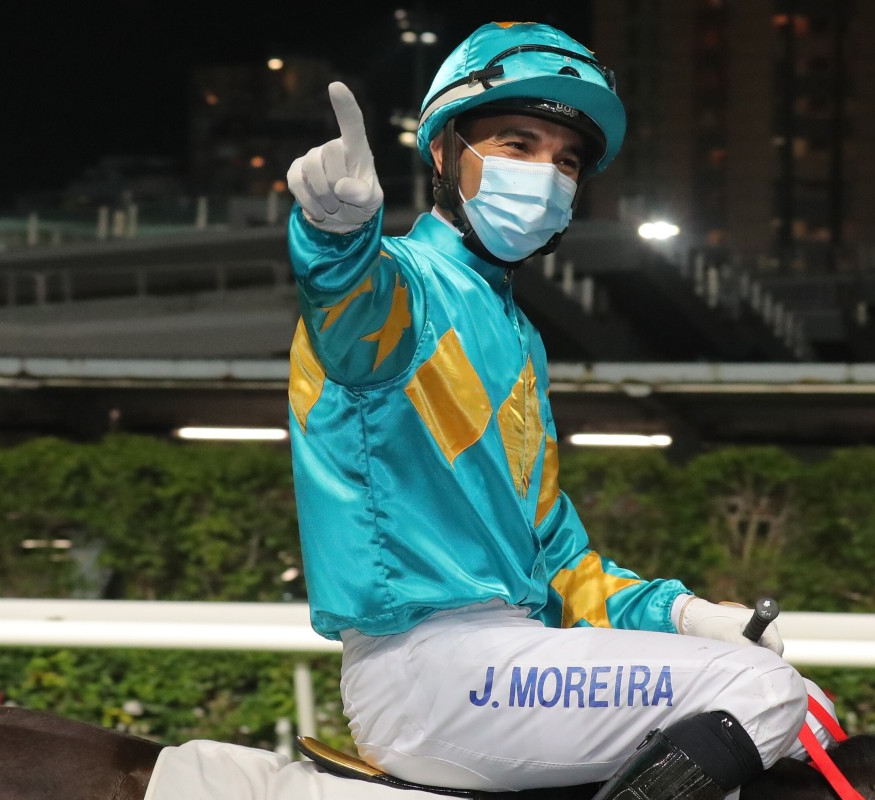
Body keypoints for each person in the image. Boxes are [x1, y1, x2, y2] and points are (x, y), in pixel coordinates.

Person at [284, 21, 838, 800]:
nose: (546, 174)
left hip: (507, 661)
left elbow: (555, 562)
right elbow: (348, 307)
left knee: (802, 704)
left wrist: (683, 615)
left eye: (566, 160)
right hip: (432, 669)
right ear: (443, 152)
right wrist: (334, 233)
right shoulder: (400, 283)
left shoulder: (517, 333)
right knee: (761, 695)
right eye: (518, 144)